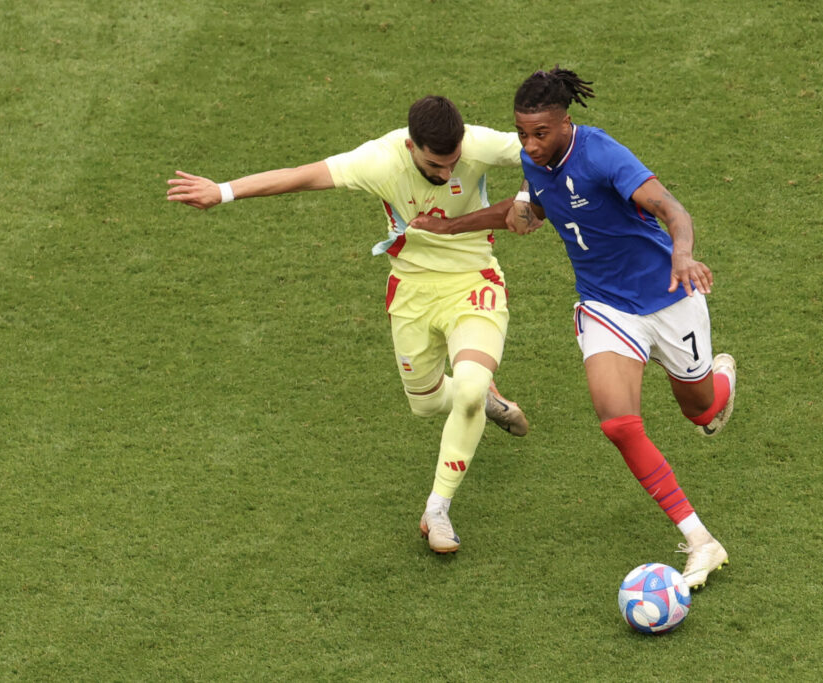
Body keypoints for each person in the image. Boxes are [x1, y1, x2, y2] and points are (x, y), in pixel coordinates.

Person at [412, 69, 735, 589]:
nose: (529, 145)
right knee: (617, 423)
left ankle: (720, 382)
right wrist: (448, 225)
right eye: (521, 134)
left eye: (540, 134)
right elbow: (527, 211)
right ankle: (701, 540)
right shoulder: (533, 163)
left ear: (566, 123)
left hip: (667, 294)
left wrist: (683, 253)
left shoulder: (603, 155)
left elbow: (670, 208)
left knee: (701, 411)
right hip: (606, 307)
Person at [166, 95, 529, 555]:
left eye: (454, 161)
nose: (447, 172)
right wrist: (224, 191)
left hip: (473, 281)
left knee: (471, 388)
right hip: (413, 291)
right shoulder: (378, 161)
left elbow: (542, 153)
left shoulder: (476, 145)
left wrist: (523, 196)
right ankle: (482, 401)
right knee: (427, 402)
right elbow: (302, 176)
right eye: (437, 165)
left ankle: (438, 508)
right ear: (412, 145)